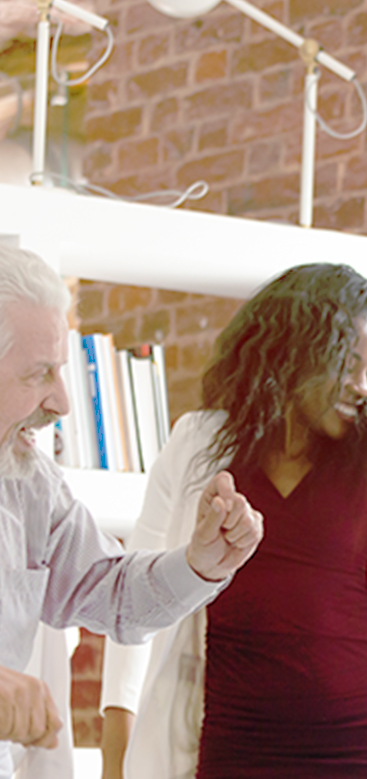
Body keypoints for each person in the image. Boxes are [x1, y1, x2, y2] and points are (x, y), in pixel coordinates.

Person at [99, 263, 367, 778]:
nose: (364, 386)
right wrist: (117, 739)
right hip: (236, 747)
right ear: (294, 356)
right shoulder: (197, 445)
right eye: (348, 364)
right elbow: (139, 594)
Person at [0, 244, 262, 779]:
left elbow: (114, 595)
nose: (64, 402)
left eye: (62, 370)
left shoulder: (30, 485)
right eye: (39, 374)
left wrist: (198, 563)